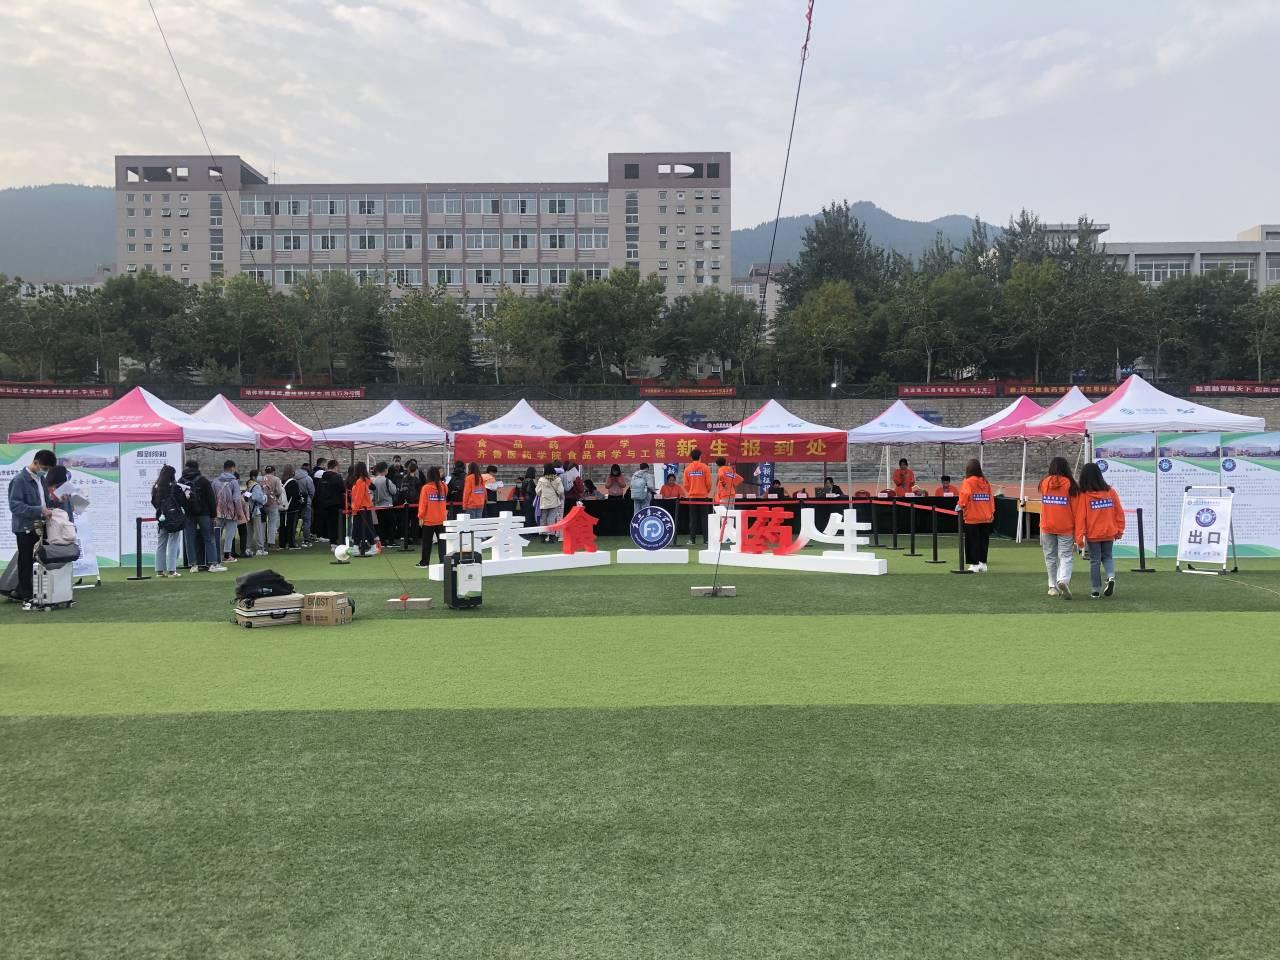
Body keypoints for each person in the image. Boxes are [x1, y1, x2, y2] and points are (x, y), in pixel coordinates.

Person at [7, 449, 57, 609]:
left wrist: (56, 503)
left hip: (41, 526)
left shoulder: (40, 479)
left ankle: (24, 591)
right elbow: (15, 506)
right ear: (36, 462)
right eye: (44, 468)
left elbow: (44, 502)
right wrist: (39, 510)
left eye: (48, 469)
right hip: (25, 528)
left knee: (40, 560)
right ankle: (27, 598)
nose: (45, 471)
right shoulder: (19, 480)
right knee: (26, 562)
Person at [1076, 462, 1125, 599]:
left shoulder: (1084, 496)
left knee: (1095, 561)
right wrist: (1119, 530)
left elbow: (1081, 517)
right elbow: (1119, 512)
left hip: (1093, 535)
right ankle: (1110, 576)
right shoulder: (1110, 492)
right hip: (1109, 532)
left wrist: (1079, 537)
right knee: (1108, 557)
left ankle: (1095, 590)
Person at [1038, 457, 1081, 599]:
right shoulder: (1071, 485)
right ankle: (1063, 580)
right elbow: (1076, 510)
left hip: (1047, 525)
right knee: (1066, 556)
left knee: (1050, 556)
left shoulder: (1044, 483)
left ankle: (1052, 586)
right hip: (1066, 527)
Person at [180, 459, 223, 572]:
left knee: (189, 539)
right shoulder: (203, 480)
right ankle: (213, 564)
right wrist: (213, 514)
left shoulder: (181, 481)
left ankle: (193, 565)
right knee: (209, 538)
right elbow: (211, 499)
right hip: (204, 513)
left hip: (188, 514)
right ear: (197, 468)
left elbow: (178, 497)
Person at [957, 458, 994, 572]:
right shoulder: (986, 482)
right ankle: (983, 563)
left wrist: (960, 505)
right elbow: (991, 498)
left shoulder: (967, 482)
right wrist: (991, 512)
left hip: (972, 517)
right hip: (985, 516)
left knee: (972, 541)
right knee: (983, 541)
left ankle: (974, 564)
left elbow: (965, 495)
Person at [151, 463, 187, 577]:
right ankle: (172, 570)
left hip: (162, 518)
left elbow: (154, 502)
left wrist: (162, 510)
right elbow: (182, 501)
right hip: (174, 518)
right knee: (173, 543)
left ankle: (159, 570)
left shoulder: (156, 487)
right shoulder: (175, 487)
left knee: (161, 544)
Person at [417, 466, 449, 568]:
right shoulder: (444, 486)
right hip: (441, 519)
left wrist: (420, 516)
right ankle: (443, 561)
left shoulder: (426, 488)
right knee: (442, 542)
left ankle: (424, 562)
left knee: (427, 543)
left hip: (429, 520)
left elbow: (423, 504)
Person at [211, 460, 242, 564]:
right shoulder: (234, 482)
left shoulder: (215, 481)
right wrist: (239, 513)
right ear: (232, 468)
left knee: (216, 534)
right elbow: (236, 499)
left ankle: (214, 554)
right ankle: (227, 555)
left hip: (218, 511)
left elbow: (212, 497)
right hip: (231, 512)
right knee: (230, 534)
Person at [682, 449, 712, 545]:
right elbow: (709, 483)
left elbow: (685, 485)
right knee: (704, 518)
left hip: (692, 497)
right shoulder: (705, 468)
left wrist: (691, 491)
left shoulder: (687, 469)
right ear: (700, 457)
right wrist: (705, 491)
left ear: (691, 457)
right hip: (703, 496)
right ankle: (706, 540)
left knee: (693, 518)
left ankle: (692, 540)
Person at [349, 462, 376, 554]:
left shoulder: (360, 481)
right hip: (365, 507)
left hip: (360, 508)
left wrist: (354, 508)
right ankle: (359, 547)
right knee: (366, 527)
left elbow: (358, 497)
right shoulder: (366, 480)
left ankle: (358, 547)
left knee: (358, 528)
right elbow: (373, 487)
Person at [370, 461, 399, 544]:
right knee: (392, 523)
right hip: (388, 505)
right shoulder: (387, 480)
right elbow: (394, 491)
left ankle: (382, 540)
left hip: (377, 506)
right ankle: (391, 540)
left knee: (381, 524)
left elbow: (372, 493)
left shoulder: (374, 481)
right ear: (385, 470)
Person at [535, 463, 565, 543]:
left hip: (544, 502)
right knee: (551, 519)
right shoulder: (557, 479)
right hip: (554, 502)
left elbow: (537, 491)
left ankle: (543, 536)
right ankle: (551, 537)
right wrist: (556, 494)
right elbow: (561, 491)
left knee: (543, 519)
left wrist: (542, 495)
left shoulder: (541, 480)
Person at [400, 459, 425, 545]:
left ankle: (407, 539)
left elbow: (402, 491)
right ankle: (415, 538)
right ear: (415, 470)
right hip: (416, 503)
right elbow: (421, 491)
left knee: (406, 522)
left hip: (406, 503)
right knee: (415, 522)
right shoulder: (417, 480)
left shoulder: (404, 479)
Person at [260, 465, 284, 549]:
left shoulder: (261, 479)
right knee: (272, 524)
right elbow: (279, 491)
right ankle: (271, 542)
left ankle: (262, 542)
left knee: (262, 524)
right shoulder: (276, 479)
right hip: (273, 503)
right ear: (273, 471)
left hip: (262, 503)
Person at [279, 465, 301, 550]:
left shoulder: (281, 481)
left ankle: (282, 543)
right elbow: (296, 495)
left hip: (282, 506)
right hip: (292, 507)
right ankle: (291, 543)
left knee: (283, 526)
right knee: (291, 526)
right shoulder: (293, 482)